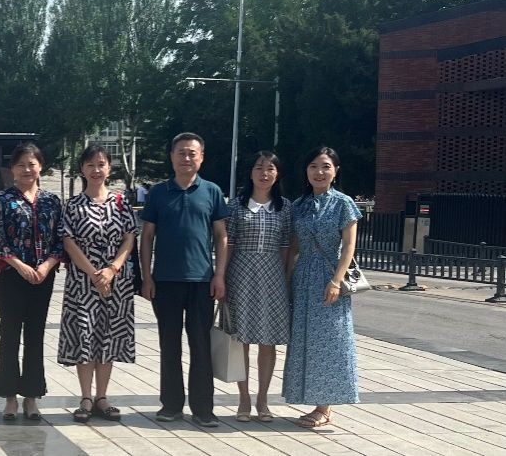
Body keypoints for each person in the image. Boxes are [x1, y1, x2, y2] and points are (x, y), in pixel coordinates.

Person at [139, 132, 229, 427]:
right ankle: (171, 404)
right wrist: (147, 276)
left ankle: (203, 408)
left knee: (200, 345)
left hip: (202, 280)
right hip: (165, 280)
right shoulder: (158, 192)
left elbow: (221, 236)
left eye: (192, 153)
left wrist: (219, 275)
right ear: (172, 157)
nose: (186, 158)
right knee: (169, 344)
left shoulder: (212, 191)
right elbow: (147, 236)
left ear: (201, 157)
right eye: (181, 152)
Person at [0, 142, 64, 422]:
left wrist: (46, 266)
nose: (27, 169)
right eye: (21, 165)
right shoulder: (2, 200)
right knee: (9, 336)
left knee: (35, 336)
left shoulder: (52, 201)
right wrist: (19, 265)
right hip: (11, 277)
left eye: (32, 164)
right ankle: (9, 398)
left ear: (40, 167)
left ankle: (31, 397)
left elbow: (61, 239)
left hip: (43, 278)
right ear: (12, 169)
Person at [283, 145, 362, 429]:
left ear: (335, 171)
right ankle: (312, 399)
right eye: (314, 166)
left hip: (330, 277)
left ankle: (325, 407)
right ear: (306, 171)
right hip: (303, 277)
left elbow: (349, 246)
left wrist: (336, 280)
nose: (319, 172)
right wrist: (287, 280)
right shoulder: (299, 205)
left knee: (331, 340)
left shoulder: (343, 203)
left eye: (326, 166)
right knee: (305, 340)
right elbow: (294, 247)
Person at [58, 144, 137, 423]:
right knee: (85, 335)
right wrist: (95, 274)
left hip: (116, 282)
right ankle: (85, 397)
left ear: (109, 169)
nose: (96, 170)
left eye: (101, 164)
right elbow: (68, 242)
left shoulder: (120, 203)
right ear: (82, 169)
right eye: (90, 164)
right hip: (83, 282)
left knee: (108, 336)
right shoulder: (72, 205)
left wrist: (112, 270)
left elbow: (130, 237)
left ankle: (102, 397)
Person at [224, 151, 292, 423]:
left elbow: (286, 246)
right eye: (259, 168)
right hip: (240, 274)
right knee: (241, 339)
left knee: (267, 339)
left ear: (278, 174)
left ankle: (263, 399)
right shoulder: (235, 206)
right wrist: (221, 277)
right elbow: (227, 243)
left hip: (272, 276)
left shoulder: (285, 207)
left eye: (270, 169)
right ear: (250, 172)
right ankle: (243, 398)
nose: (264, 174)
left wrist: (285, 280)